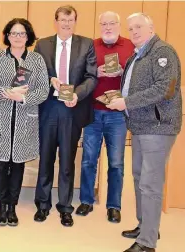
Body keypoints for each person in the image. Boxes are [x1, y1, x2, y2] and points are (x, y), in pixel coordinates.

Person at [107, 13, 182, 252]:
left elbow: (165, 89)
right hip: (140, 126)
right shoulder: (137, 55)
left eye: (139, 27)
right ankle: (146, 226)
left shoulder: (163, 52)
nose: (134, 31)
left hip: (158, 127)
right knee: (140, 179)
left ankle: (147, 243)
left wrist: (126, 102)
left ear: (151, 27)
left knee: (150, 184)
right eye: (131, 28)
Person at [33, 5, 97, 227]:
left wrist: (77, 95)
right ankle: (42, 204)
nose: (66, 24)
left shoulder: (86, 44)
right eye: (62, 20)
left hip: (72, 109)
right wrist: (49, 79)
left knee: (68, 161)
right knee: (46, 158)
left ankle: (65, 207)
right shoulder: (42, 45)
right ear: (56, 21)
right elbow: (34, 74)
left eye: (71, 20)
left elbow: (91, 76)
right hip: (49, 108)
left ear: (75, 22)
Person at [0, 18, 50, 227]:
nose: (18, 37)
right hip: (1, 119)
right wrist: (8, 93)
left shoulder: (37, 60)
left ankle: (12, 206)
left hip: (25, 119)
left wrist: (22, 98)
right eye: (13, 33)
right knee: (1, 165)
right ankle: (1, 206)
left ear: (28, 36)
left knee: (18, 164)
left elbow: (43, 90)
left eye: (22, 33)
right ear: (7, 36)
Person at [76, 11, 135, 223]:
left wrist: (123, 72)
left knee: (117, 163)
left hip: (118, 115)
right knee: (88, 160)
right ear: (99, 25)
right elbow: (80, 74)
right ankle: (86, 200)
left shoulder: (130, 46)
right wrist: (96, 73)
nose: (108, 27)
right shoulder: (91, 46)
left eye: (112, 23)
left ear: (119, 25)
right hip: (93, 112)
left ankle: (113, 206)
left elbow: (138, 76)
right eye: (104, 24)